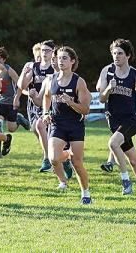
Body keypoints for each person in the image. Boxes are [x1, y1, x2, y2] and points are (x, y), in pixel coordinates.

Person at [96, 39, 136, 198]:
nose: (116, 56)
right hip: (113, 120)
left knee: (113, 143)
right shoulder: (106, 71)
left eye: (120, 53)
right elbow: (101, 98)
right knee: (134, 160)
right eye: (114, 53)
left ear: (128, 55)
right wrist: (108, 88)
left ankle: (125, 181)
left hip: (131, 120)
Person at [43, 46, 94, 204]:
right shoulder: (51, 79)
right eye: (59, 58)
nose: (61, 61)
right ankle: (63, 180)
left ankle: (86, 194)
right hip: (57, 124)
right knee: (53, 158)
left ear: (72, 61)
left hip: (75, 125)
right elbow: (46, 97)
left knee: (77, 164)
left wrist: (71, 102)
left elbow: (85, 110)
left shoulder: (78, 82)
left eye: (65, 58)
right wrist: (45, 113)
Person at [19, 41, 55, 172]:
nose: (44, 53)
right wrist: (24, 74)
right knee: (35, 129)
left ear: (53, 52)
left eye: (47, 50)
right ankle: (53, 154)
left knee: (41, 126)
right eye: (43, 50)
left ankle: (48, 158)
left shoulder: (56, 67)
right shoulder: (33, 66)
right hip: (35, 104)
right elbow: (21, 86)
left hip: (50, 103)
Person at [0, 45, 21, 158]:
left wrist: (17, 97)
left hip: (10, 103)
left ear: (3, 59)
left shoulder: (8, 69)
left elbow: (19, 82)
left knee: (11, 129)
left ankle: (18, 119)